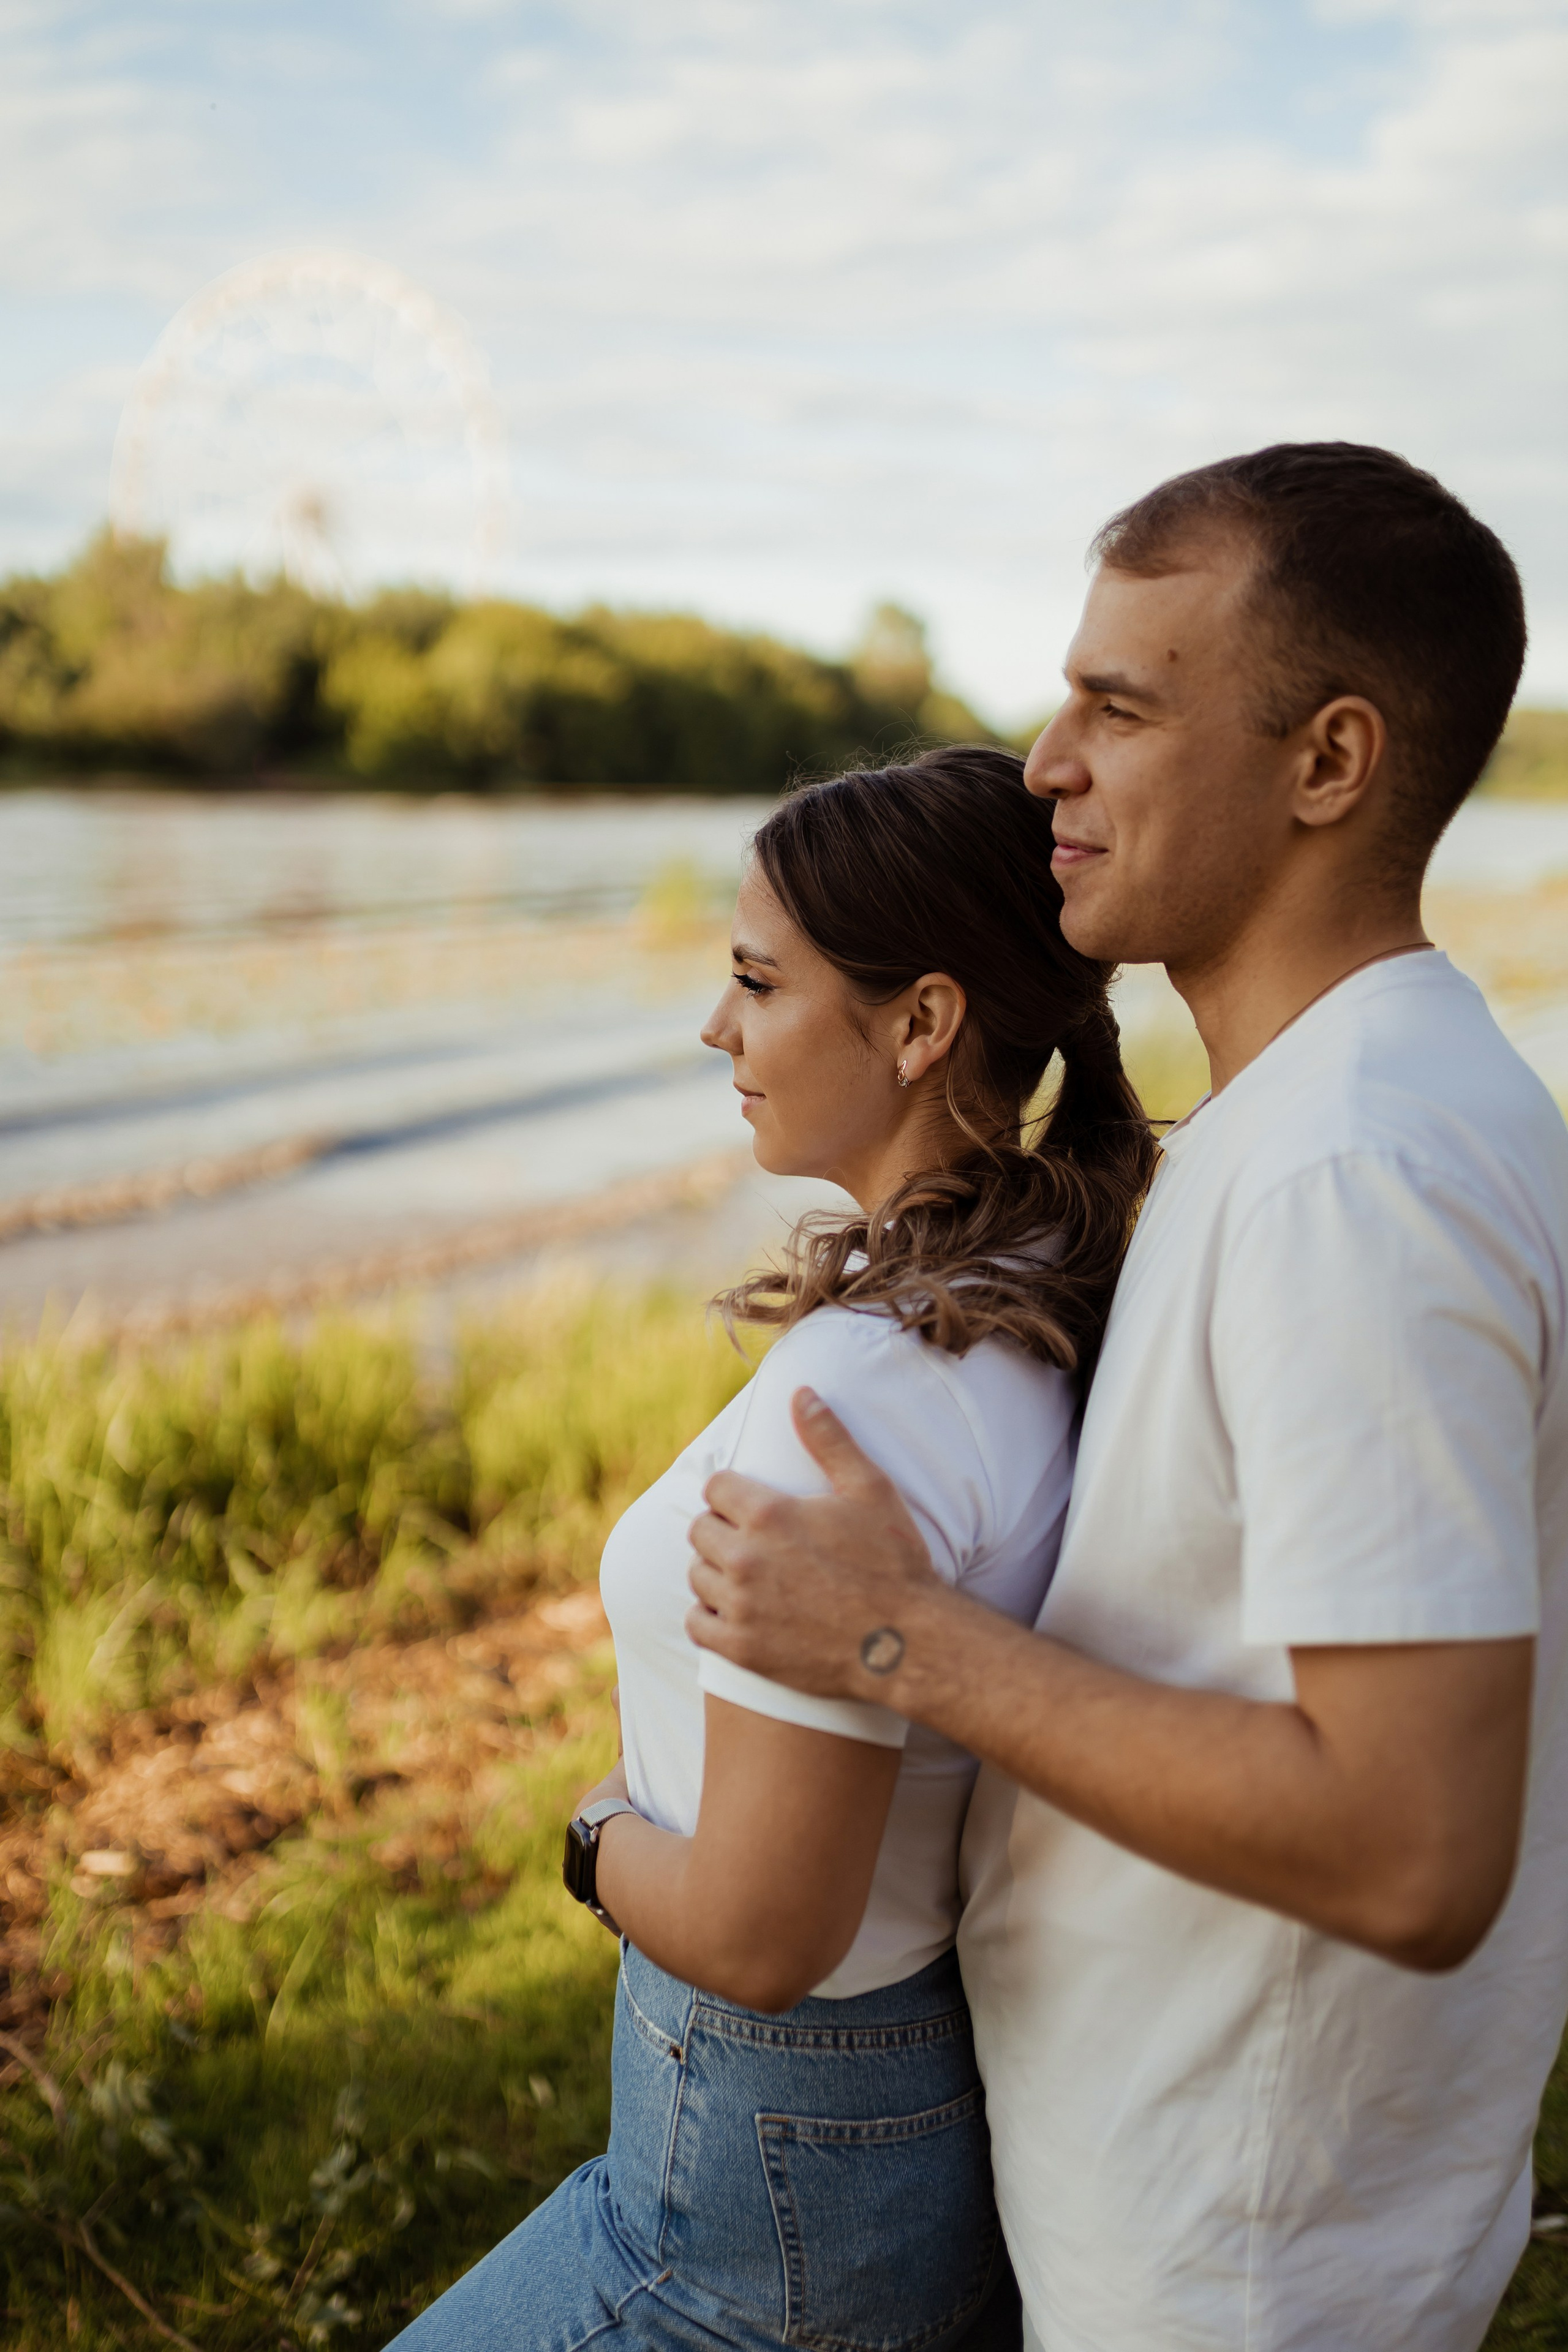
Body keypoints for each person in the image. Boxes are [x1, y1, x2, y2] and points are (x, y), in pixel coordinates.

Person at [687, 443, 1568, 2351]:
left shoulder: (1360, 1174)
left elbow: (1414, 1848)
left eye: (1119, 705)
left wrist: (895, 1641)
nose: (1042, 762)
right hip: (1190, 2209)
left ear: (1328, 763)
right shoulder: (1337, 1112)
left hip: (1242, 2270)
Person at [383, 745, 1157, 2352]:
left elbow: (760, 1929)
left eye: (757, 980)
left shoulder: (862, 1398)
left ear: (924, 1020)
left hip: (756, 2176)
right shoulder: (1012, 1291)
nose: (717, 1027)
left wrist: (593, 1832)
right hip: (870, 2126)